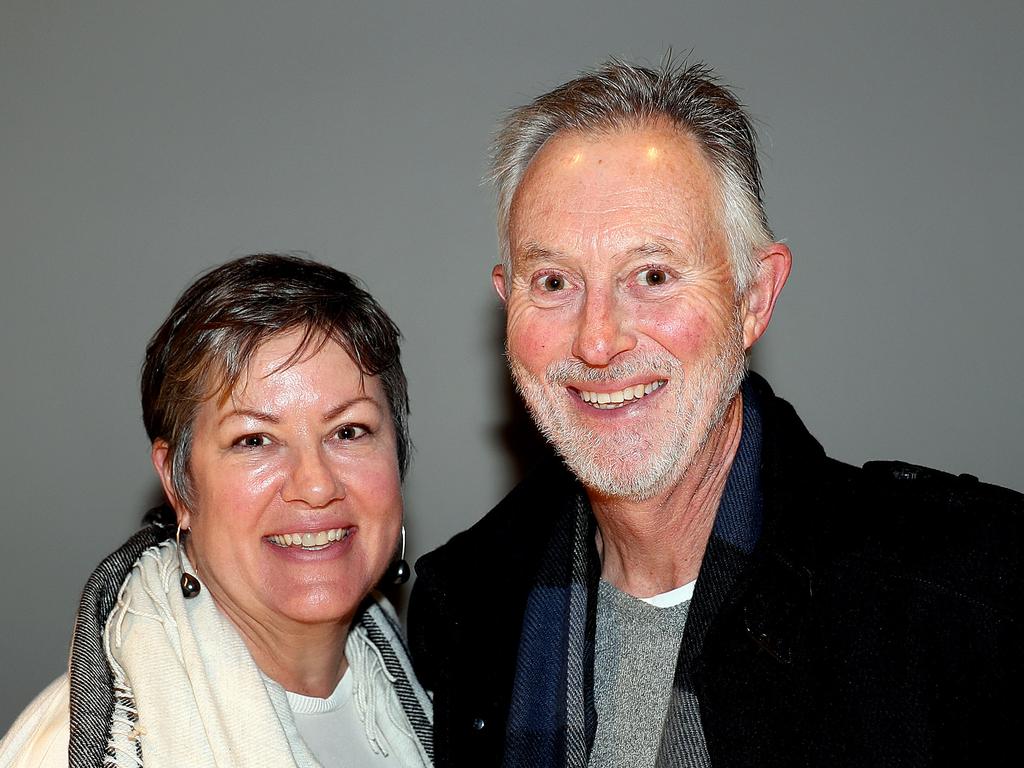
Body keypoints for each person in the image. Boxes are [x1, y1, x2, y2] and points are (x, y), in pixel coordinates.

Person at [408, 57, 1024, 768]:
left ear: (754, 297)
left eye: (654, 276)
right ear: (506, 301)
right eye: (553, 281)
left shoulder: (968, 602)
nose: (598, 340)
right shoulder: (466, 615)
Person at [0, 254, 434, 767]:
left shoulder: (442, 701)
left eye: (348, 431)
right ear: (179, 482)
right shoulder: (71, 747)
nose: (316, 486)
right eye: (255, 440)